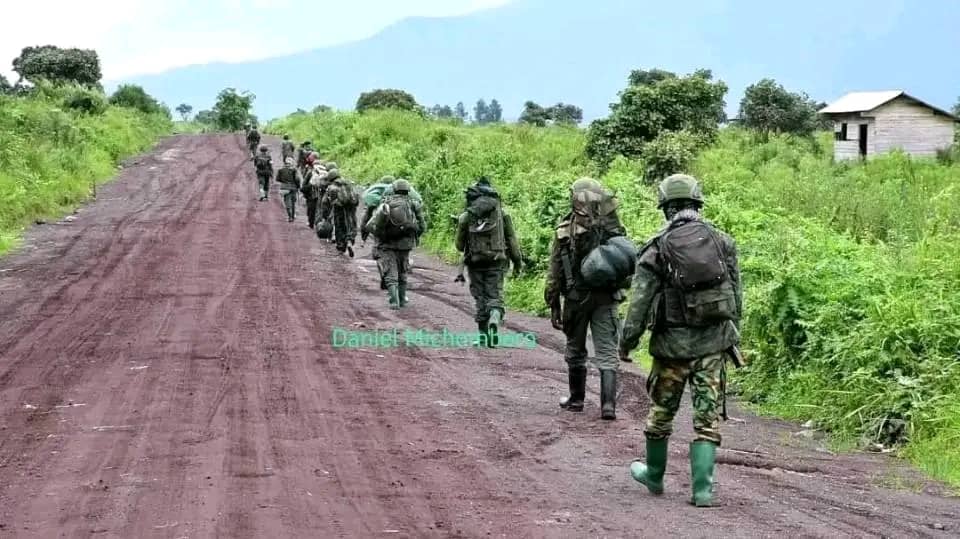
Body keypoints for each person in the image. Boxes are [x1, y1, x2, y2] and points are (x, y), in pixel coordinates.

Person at [618, 174, 742, 508]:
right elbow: (735, 297)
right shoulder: (722, 241)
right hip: (713, 346)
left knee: (661, 412)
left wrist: (626, 342)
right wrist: (731, 333)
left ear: (667, 208)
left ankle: (654, 476)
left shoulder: (656, 249)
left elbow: (639, 304)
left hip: (671, 349)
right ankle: (702, 491)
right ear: (697, 203)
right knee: (706, 420)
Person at [544, 178, 628, 421]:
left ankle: (577, 400)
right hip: (606, 297)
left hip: (575, 297)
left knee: (575, 348)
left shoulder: (564, 230)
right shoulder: (612, 228)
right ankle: (608, 406)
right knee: (607, 350)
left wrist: (553, 304)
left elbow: (555, 272)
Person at [455, 177, 523, 347]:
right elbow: (512, 241)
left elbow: (459, 245)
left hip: (475, 262)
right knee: (495, 295)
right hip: (497, 261)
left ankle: (484, 336)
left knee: (480, 297)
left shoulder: (466, 217)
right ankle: (494, 316)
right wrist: (518, 263)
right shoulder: (502, 215)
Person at [365, 178, 425, 309]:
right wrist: (414, 236)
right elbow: (423, 225)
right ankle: (402, 300)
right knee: (403, 271)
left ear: (394, 189)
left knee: (390, 271)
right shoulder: (414, 203)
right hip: (406, 245)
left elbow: (372, 224)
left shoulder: (386, 202)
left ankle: (393, 301)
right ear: (408, 190)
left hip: (387, 243)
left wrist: (379, 236)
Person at [362, 176, 395, 290]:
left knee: (379, 253)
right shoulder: (400, 200)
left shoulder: (376, 201)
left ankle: (384, 275)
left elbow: (366, 219)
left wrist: (364, 234)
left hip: (380, 232)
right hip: (396, 232)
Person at [320, 172, 360, 256]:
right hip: (351, 208)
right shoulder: (348, 183)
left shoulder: (331, 187)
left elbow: (324, 202)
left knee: (340, 227)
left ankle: (341, 247)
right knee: (351, 225)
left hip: (339, 209)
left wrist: (325, 215)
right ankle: (349, 241)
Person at [275, 157, 303, 222]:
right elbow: (297, 179)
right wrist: (298, 186)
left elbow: (277, 179)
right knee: (293, 203)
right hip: (293, 187)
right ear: (291, 163)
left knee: (287, 202)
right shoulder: (294, 170)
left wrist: (284, 181)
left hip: (285, 188)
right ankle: (292, 217)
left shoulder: (281, 170)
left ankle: (289, 216)